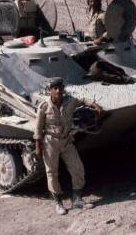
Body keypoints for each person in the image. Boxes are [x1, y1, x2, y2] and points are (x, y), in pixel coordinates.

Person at [34, 77, 102, 215]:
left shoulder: (70, 101)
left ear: (63, 89)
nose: (58, 91)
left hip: (66, 140)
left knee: (77, 168)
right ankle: (58, 202)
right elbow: (38, 128)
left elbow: (82, 100)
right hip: (50, 142)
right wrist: (38, 146)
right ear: (50, 90)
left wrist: (94, 104)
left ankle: (77, 199)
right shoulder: (44, 107)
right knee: (52, 173)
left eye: (60, 88)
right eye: (55, 88)